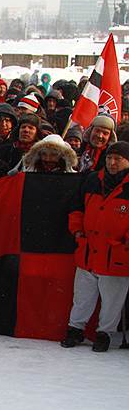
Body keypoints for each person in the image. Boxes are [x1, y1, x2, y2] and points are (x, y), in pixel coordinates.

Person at [63, 141, 129, 352]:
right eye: (109, 158)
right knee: (82, 296)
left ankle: (105, 334)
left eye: (117, 159)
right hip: (88, 250)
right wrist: (78, 232)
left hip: (118, 254)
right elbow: (76, 208)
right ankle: (75, 329)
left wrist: (124, 244)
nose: (112, 162)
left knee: (112, 301)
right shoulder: (92, 179)